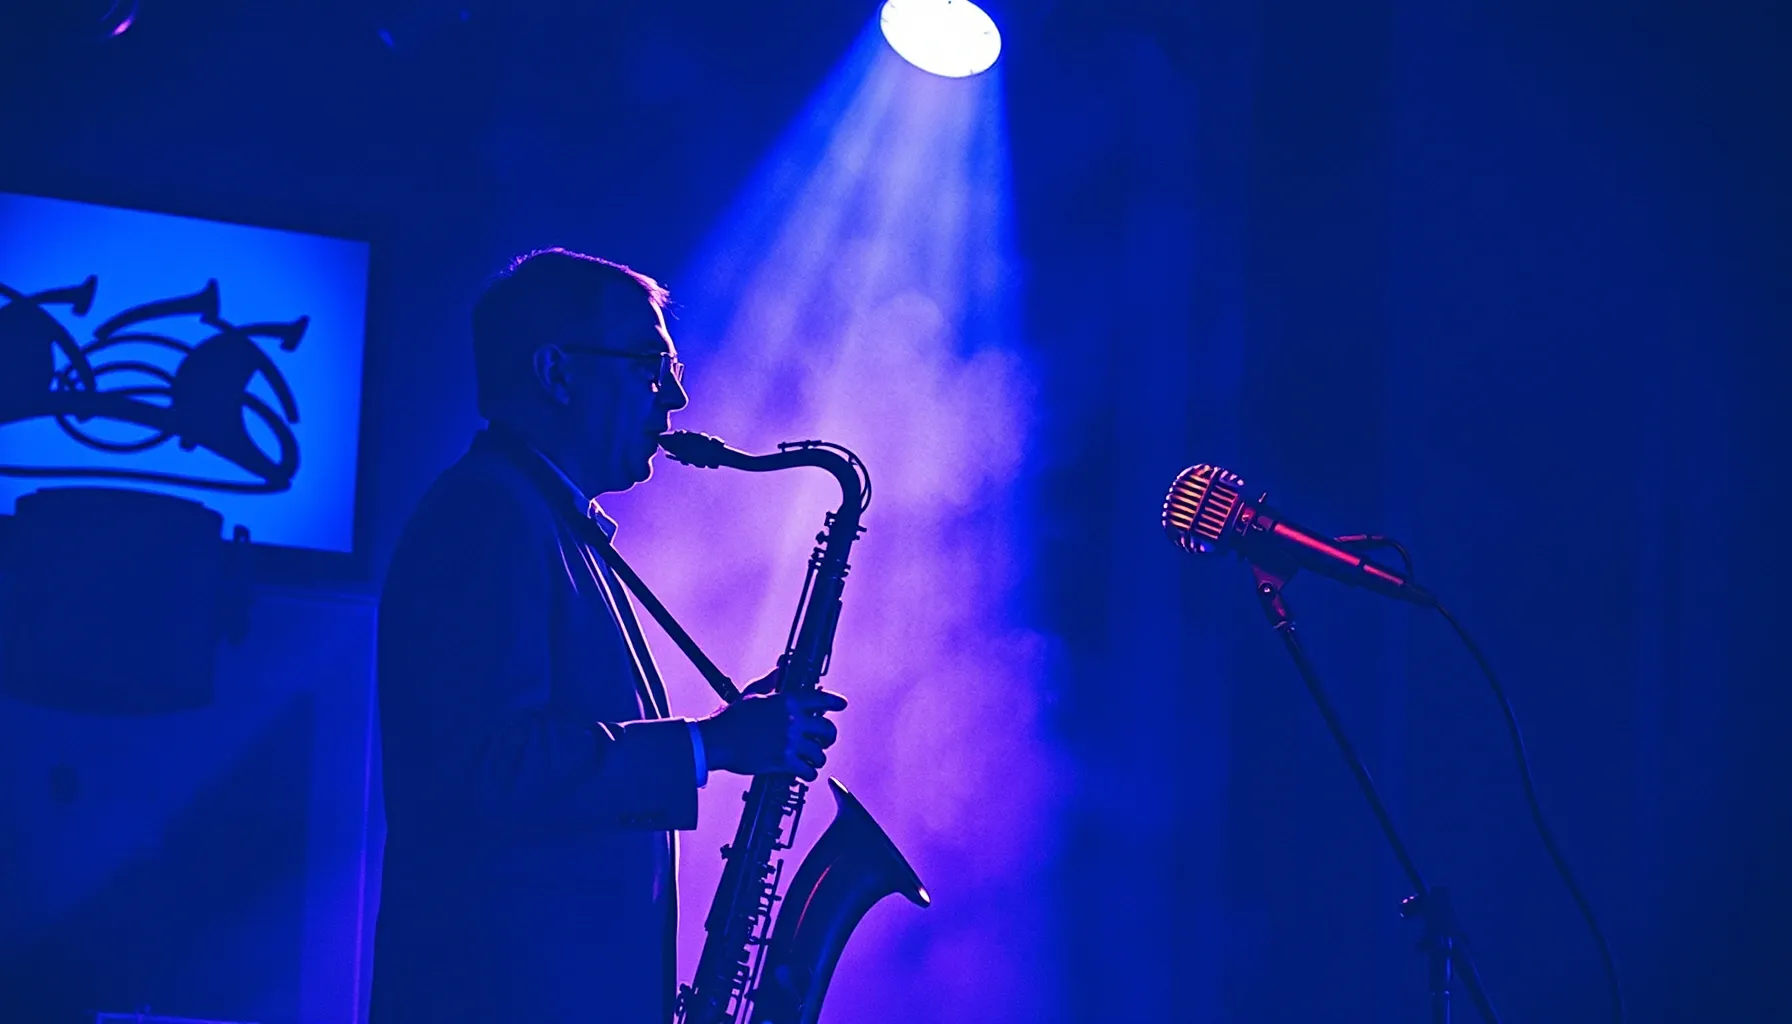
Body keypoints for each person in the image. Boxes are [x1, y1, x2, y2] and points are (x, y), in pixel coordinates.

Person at [369, 247, 847, 1023]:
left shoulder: (543, 520)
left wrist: (723, 736)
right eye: (651, 368)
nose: (677, 397)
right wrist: (711, 745)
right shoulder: (486, 517)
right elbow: (486, 765)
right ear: (557, 372)